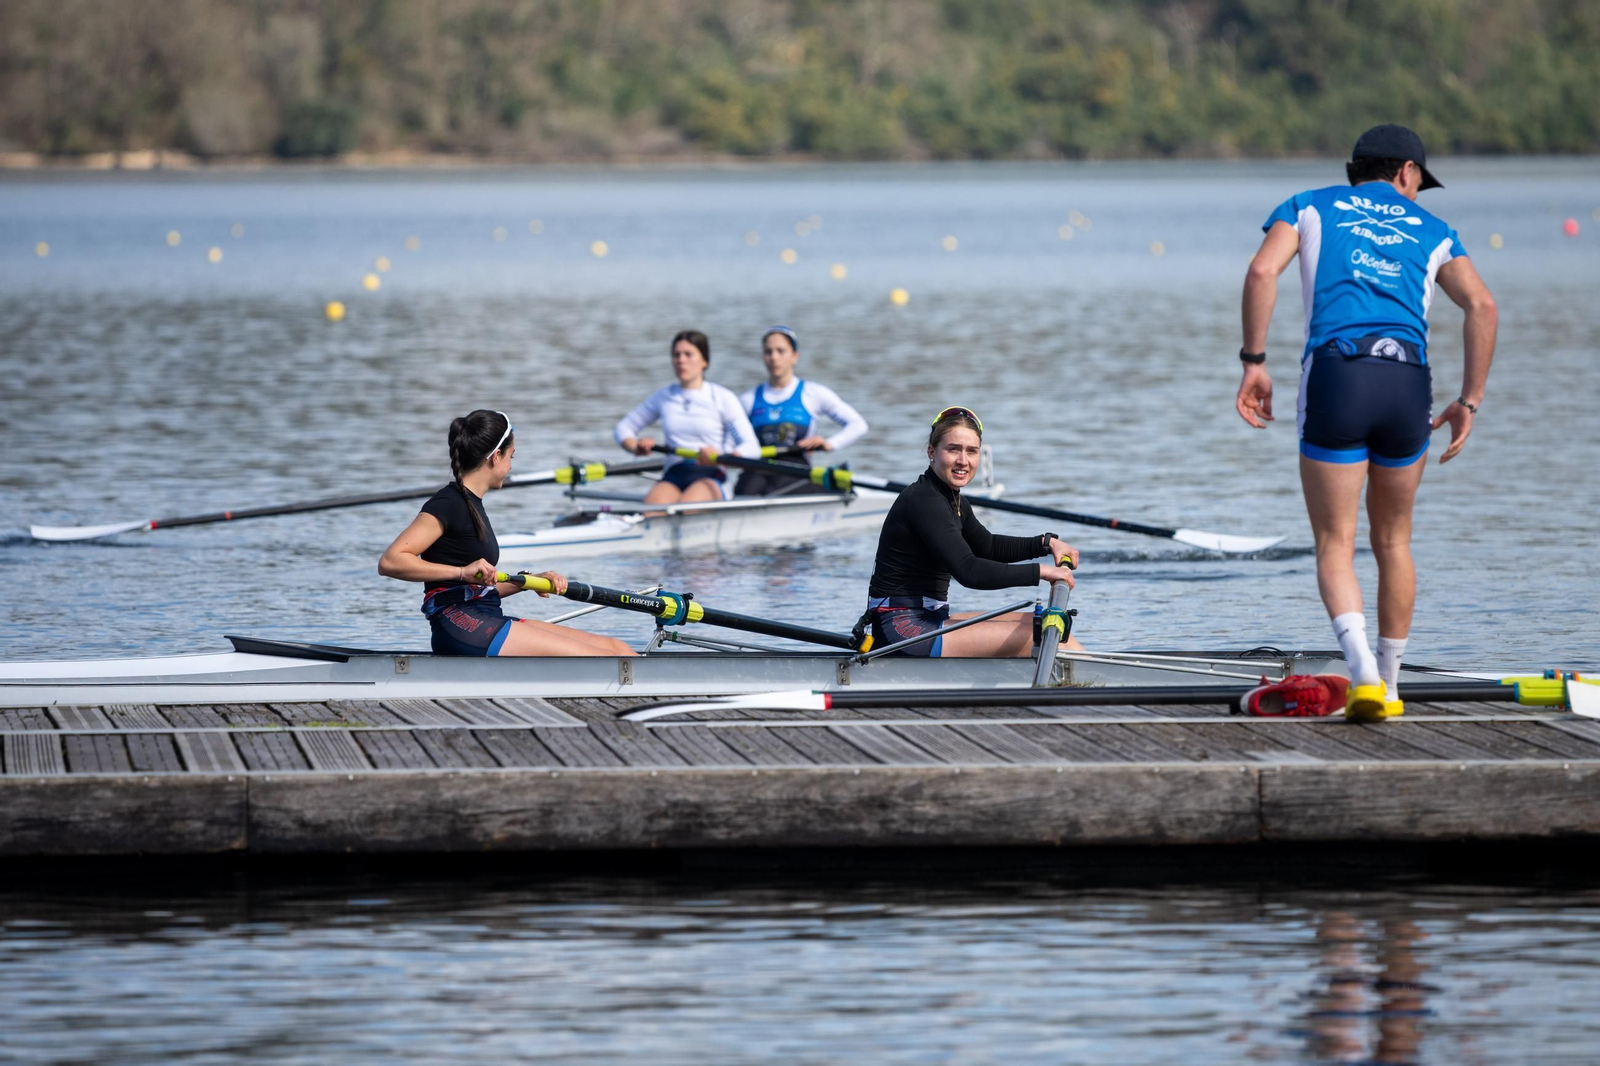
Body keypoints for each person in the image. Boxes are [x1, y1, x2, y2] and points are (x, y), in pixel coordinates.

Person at [1235, 124, 1497, 719]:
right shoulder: (1436, 231)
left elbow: (1260, 273)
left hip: (1338, 375)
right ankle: (1395, 686)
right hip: (1408, 382)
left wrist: (1254, 363)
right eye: (1419, 184)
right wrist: (1470, 400)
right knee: (1394, 541)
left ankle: (1363, 677)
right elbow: (1482, 304)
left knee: (1335, 543)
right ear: (1406, 172)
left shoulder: (1307, 206)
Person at [379, 410, 635, 657]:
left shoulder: (472, 504)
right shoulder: (448, 503)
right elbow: (391, 561)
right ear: (496, 456)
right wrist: (460, 572)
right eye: (512, 455)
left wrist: (527, 581)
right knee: (602, 659)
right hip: (459, 624)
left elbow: (478, 587)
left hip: (484, 617)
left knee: (617, 648)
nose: (512, 465)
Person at [863, 406, 1082, 657]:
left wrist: (1046, 543)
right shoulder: (924, 500)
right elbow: (969, 571)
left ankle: (1094, 683)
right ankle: (1103, 687)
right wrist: (1044, 572)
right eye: (953, 449)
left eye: (971, 451)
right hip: (903, 630)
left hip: (927, 618)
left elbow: (987, 546)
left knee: (1033, 623)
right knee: (1040, 633)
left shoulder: (952, 499)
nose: (963, 461)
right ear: (932, 452)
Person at [615, 330, 762, 505]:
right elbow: (622, 429)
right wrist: (636, 447)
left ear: (704, 361)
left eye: (688, 354)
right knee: (652, 510)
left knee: (685, 507)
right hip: (674, 475)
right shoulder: (664, 397)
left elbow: (752, 448)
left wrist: (724, 455)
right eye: (676, 355)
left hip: (712, 475)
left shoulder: (722, 397)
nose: (681, 360)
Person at [733, 326, 869, 496]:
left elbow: (858, 425)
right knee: (745, 488)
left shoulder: (812, 393)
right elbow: (729, 440)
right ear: (763, 357)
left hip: (796, 469)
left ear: (794, 356)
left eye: (781, 351)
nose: (774, 357)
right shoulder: (747, 400)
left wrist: (829, 444)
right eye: (768, 352)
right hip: (758, 469)